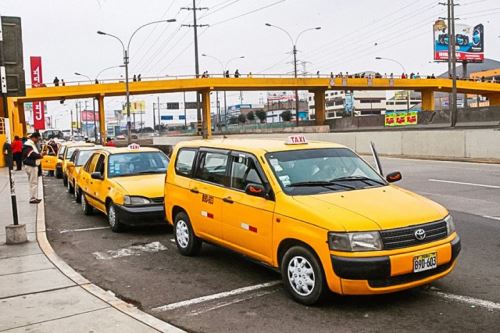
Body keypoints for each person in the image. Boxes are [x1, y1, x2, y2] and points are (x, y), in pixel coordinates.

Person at [22, 132, 44, 204]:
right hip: (31, 166)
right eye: (38, 138)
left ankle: (33, 197)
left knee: (33, 182)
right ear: (34, 137)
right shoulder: (28, 145)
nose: (38, 140)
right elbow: (31, 154)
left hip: (32, 165)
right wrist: (40, 155)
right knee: (33, 182)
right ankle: (33, 198)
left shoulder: (30, 144)